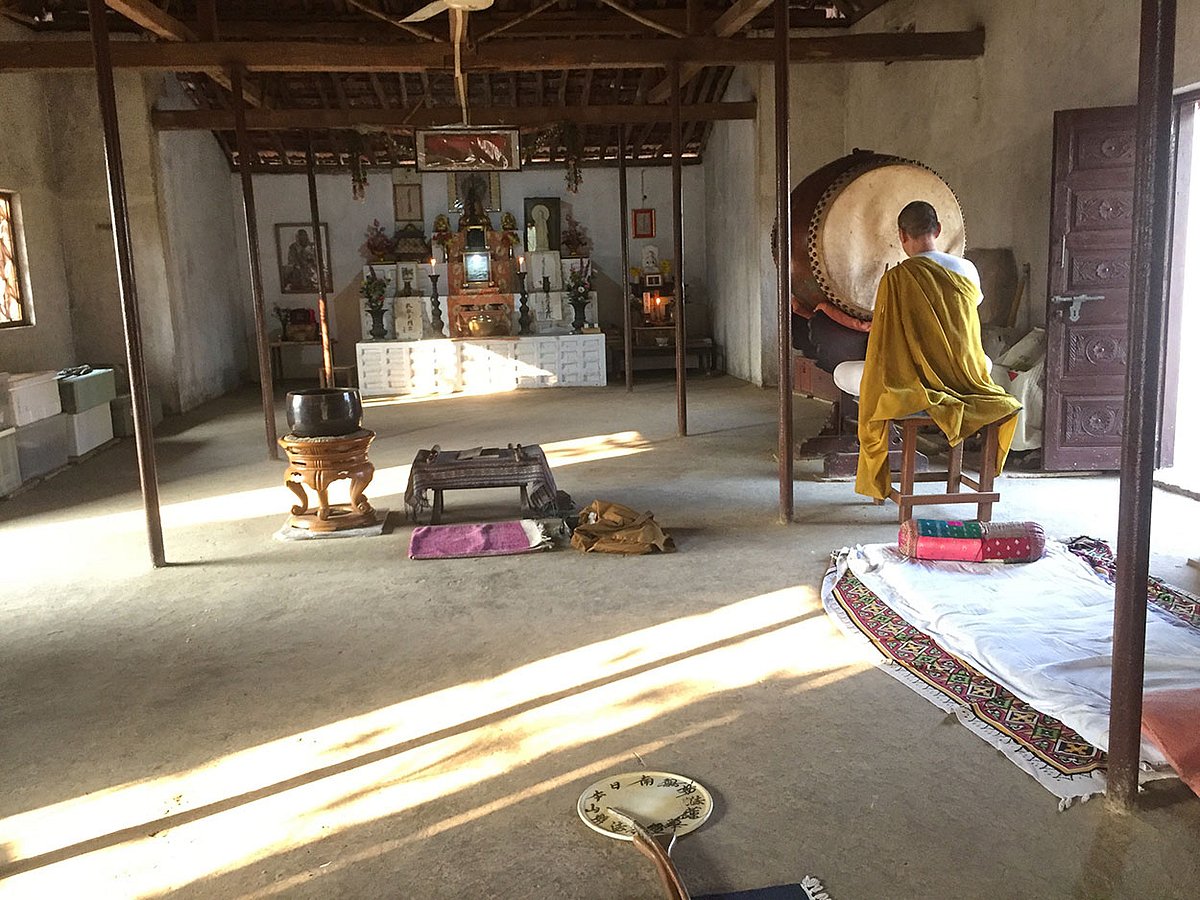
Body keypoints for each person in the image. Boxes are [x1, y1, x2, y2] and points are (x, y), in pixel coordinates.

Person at [854, 200, 1021, 500]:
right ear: (939, 230)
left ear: (902, 236)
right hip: (968, 379)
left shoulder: (897, 278)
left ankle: (889, 490)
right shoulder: (967, 270)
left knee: (876, 385)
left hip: (918, 385)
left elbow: (885, 344)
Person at [282, 228, 319, 292]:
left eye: (304, 236)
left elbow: (316, 259)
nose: (302, 238)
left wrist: (311, 261)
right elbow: (292, 260)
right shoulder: (293, 247)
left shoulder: (312, 246)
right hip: (298, 268)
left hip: (311, 268)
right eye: (300, 236)